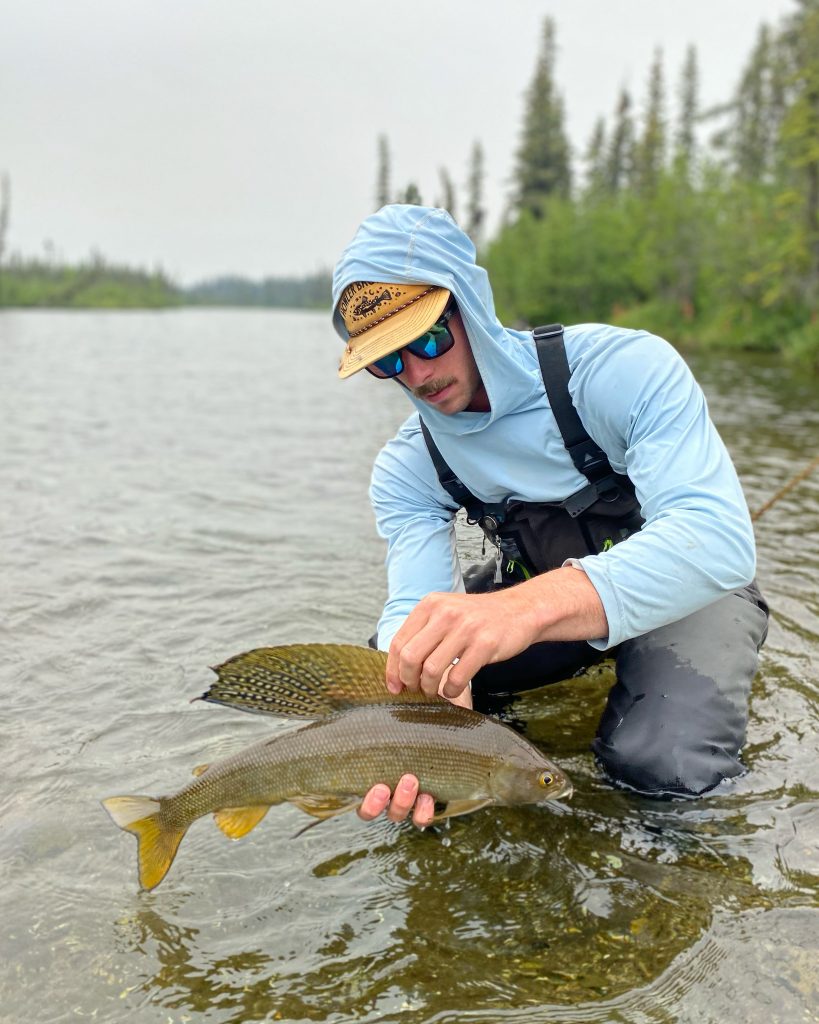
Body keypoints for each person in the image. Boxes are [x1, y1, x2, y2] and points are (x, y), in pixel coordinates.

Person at [330, 204, 769, 826]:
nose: (419, 375)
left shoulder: (620, 371)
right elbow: (412, 607)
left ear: (472, 308)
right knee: (401, 661)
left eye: (429, 338)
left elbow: (717, 539)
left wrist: (527, 607)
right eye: (389, 360)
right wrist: (428, 709)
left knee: (661, 769)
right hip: (540, 602)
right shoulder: (407, 467)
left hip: (691, 589)